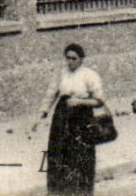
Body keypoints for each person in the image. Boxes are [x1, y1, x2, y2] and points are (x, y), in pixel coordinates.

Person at [31, 42, 105, 196]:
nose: (70, 61)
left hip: (82, 118)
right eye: (68, 58)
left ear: (81, 59)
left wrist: (80, 102)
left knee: (80, 156)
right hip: (62, 118)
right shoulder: (61, 74)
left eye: (74, 58)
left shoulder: (90, 75)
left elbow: (99, 101)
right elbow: (51, 95)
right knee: (59, 153)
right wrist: (41, 115)